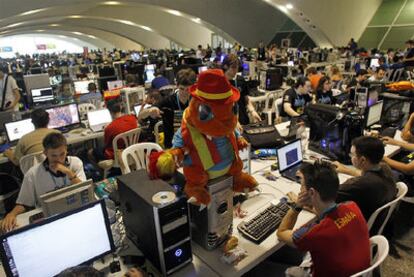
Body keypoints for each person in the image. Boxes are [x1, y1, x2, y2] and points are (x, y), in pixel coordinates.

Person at [277, 162, 370, 277]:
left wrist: (298, 205)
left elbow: (281, 232)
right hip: (358, 271)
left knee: (259, 269)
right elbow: (328, 213)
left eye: (302, 186)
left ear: (311, 192)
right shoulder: (352, 206)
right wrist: (310, 205)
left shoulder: (314, 233)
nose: (300, 190)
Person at [1, 133, 86, 232]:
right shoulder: (33, 173)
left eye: (62, 154)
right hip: (49, 216)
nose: (59, 159)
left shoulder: (75, 163)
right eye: (53, 156)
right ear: (45, 153)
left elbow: (84, 190)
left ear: (66, 149)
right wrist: (11, 214)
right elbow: (24, 203)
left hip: (73, 209)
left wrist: (68, 172)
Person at [333, 136, 396, 221]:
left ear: (362, 160)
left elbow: (324, 199)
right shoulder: (385, 168)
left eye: (352, 154)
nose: (350, 157)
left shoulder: (359, 184)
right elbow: (368, 176)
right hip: (376, 221)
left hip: (354, 224)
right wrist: (346, 170)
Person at [146, 68, 196, 148]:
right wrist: (151, 110)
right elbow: (141, 116)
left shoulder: (196, 101)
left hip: (193, 143)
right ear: (176, 85)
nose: (184, 93)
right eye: (182, 89)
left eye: (188, 89)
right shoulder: (168, 101)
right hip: (172, 146)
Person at [221, 54, 261, 125]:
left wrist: (252, 111)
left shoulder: (240, 80)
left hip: (243, 120)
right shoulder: (220, 82)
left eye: (237, 67)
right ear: (225, 66)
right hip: (228, 124)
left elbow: (246, 99)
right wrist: (233, 121)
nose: (236, 70)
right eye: (233, 67)